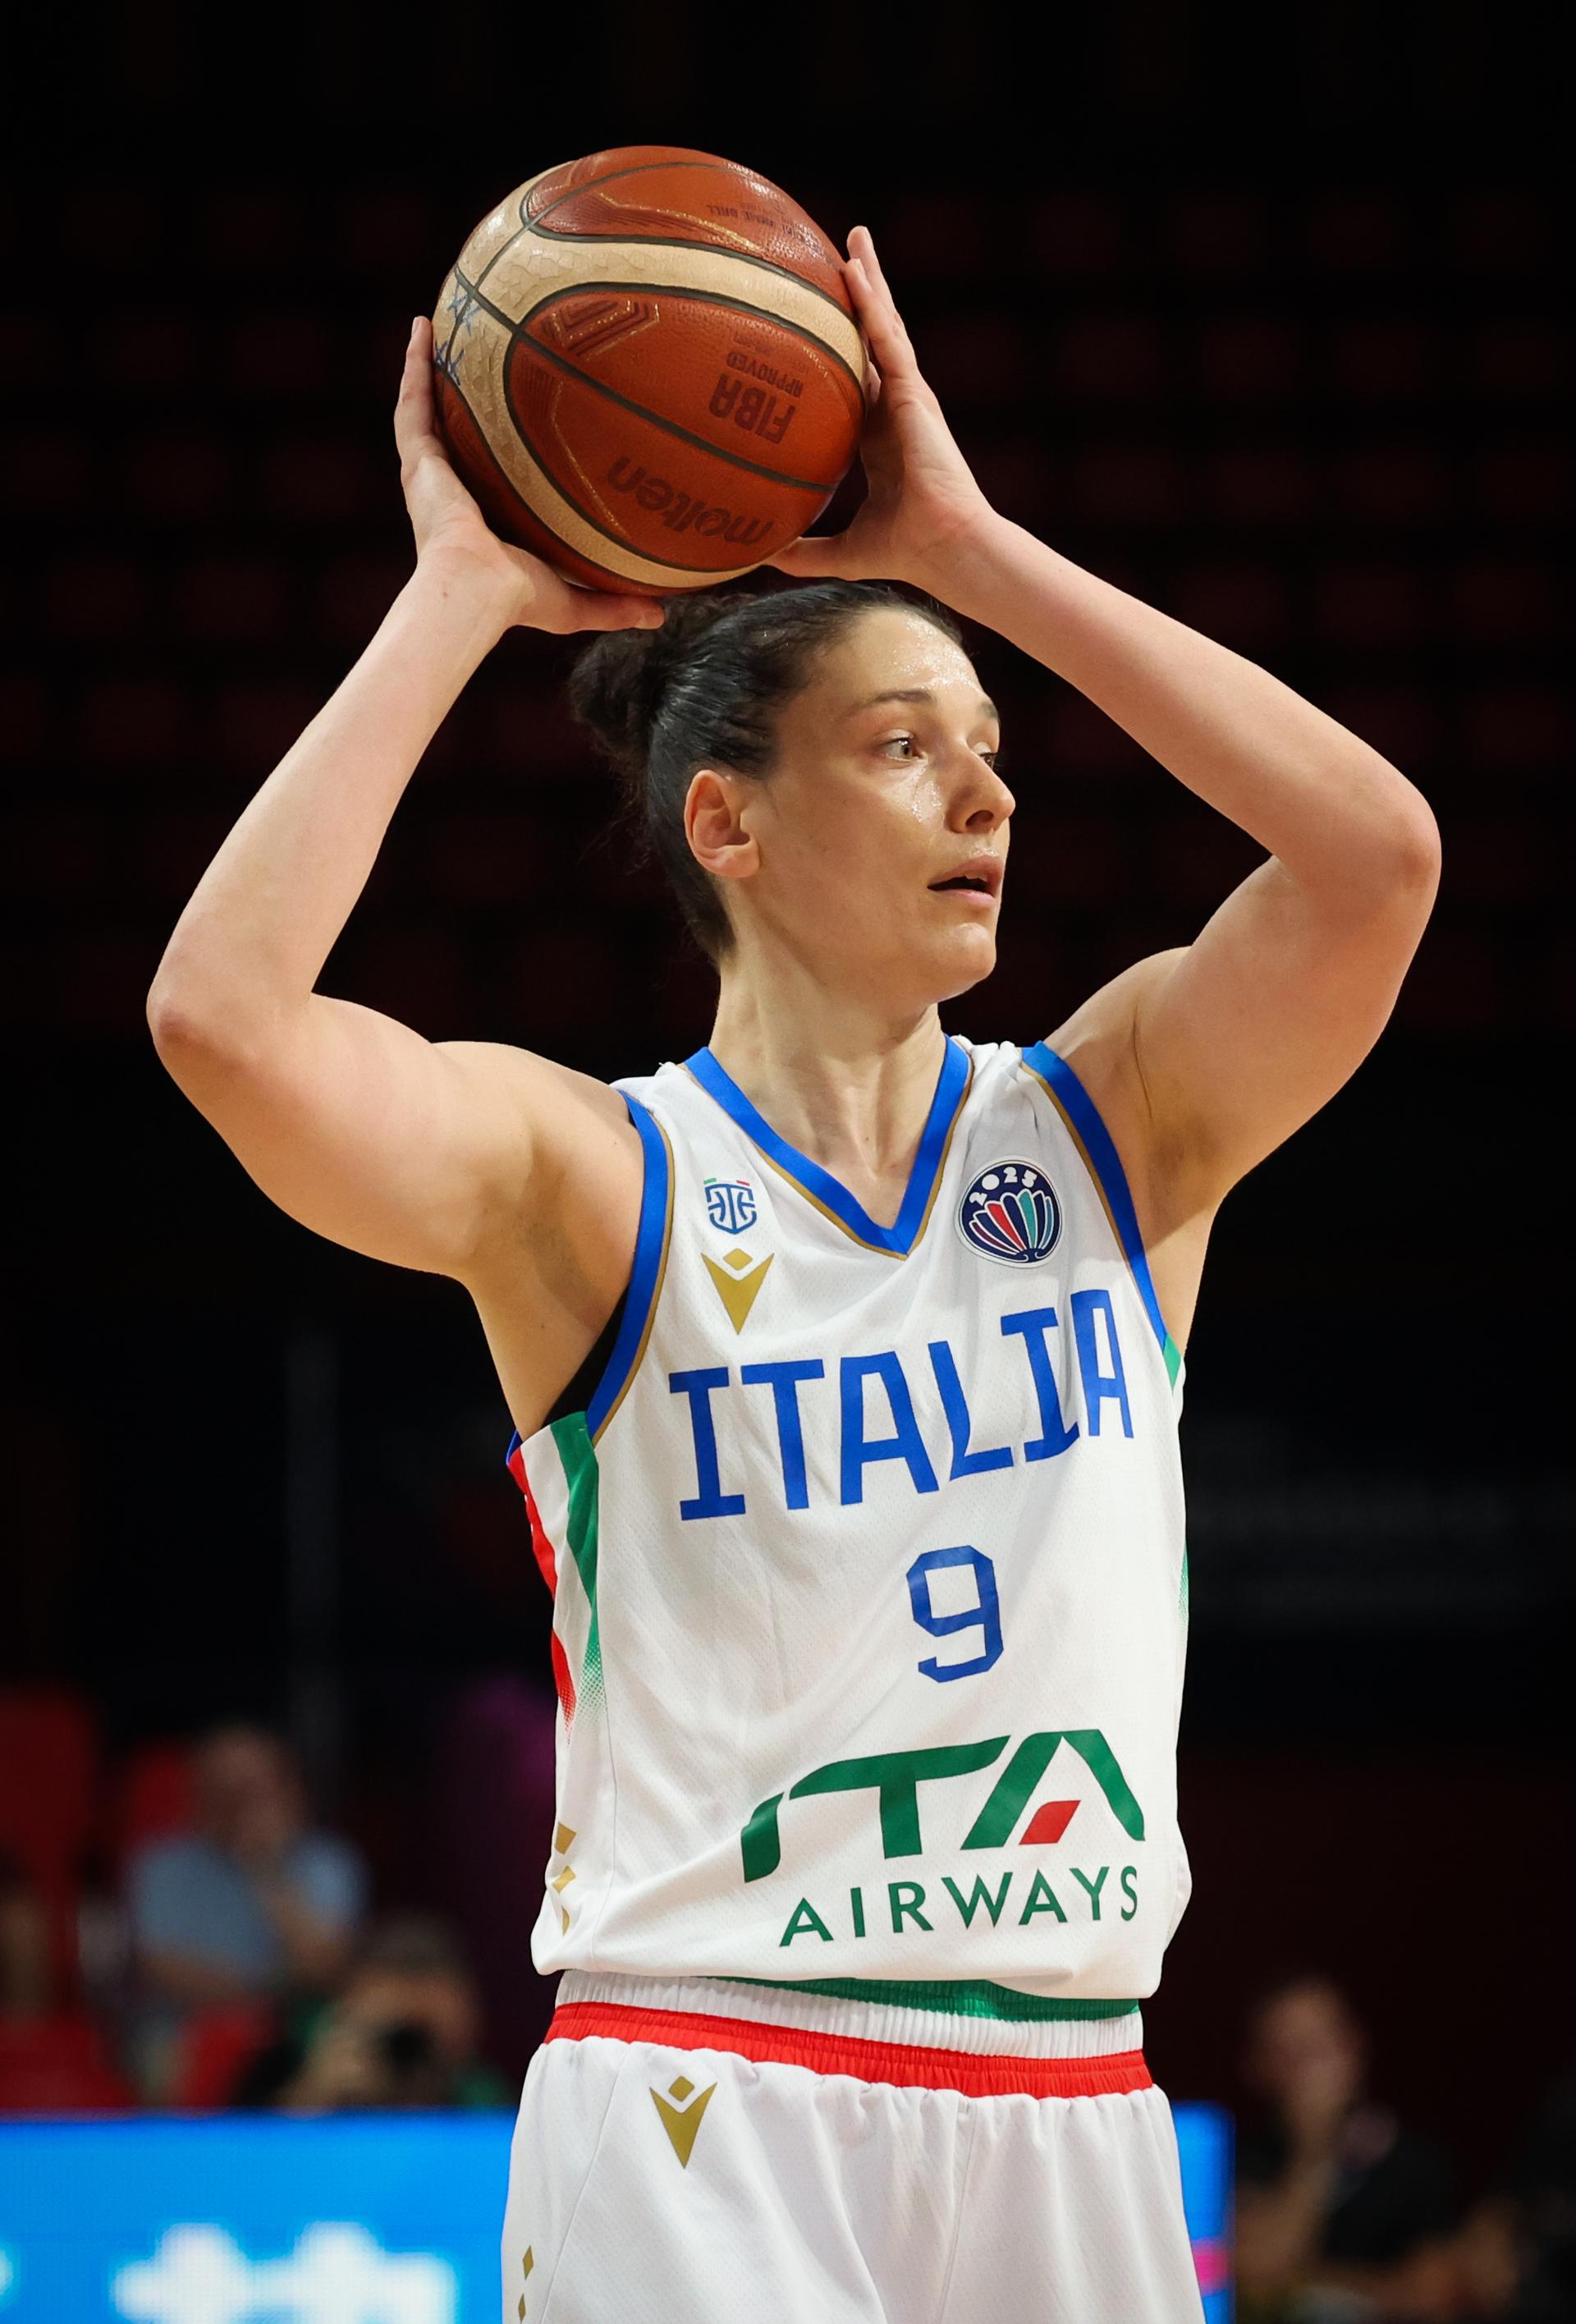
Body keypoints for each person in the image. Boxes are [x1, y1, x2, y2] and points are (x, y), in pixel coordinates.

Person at [146, 223, 1439, 2322]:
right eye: (906, 741)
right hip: (706, 2087)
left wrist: (973, 548)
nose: (990, 786)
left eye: (993, 740)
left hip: (1068, 2084)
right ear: (726, 824)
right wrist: (453, 597)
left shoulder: (1113, 1122)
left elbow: (1377, 861)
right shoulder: (593, 1171)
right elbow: (224, 1023)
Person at [125, 1721, 367, 2099]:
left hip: (296, 2030)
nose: (238, 1805)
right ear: (197, 1795)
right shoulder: (161, 1867)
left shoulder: (329, 1863)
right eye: (222, 1790)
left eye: (252, 1791)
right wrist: (260, 2002)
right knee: (162, 2061)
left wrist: (267, 1869)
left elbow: (325, 1968)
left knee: (348, 2054)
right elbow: (163, 1970)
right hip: (186, 2031)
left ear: (289, 1792)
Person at [1235, 1971, 1460, 2320]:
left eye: (1324, 2045)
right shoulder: (1244, 2160)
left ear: (1355, 2047)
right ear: (1259, 2068)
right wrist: (1315, 2153)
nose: (1316, 2069)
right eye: (1295, 2053)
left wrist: (1302, 2279)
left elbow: (1433, 2295)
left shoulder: (1409, 2162)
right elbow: (1256, 2270)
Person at [233, 1909, 509, 2111]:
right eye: (396, 2033)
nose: (407, 2047)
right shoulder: (279, 2067)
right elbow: (249, 2175)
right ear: (345, 2009)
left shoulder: (487, 2102)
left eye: (418, 2035)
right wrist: (314, 2096)